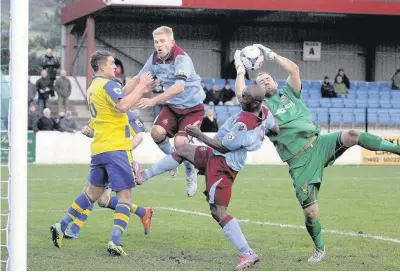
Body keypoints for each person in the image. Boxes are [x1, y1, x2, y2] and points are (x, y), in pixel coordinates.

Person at [235, 44, 400, 263]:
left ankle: (397, 149)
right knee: (311, 213)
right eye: (261, 82)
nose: (266, 82)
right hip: (299, 162)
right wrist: (239, 70)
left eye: (268, 79)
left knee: (352, 134)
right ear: (258, 90)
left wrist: (271, 54)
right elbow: (241, 95)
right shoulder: (261, 108)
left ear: (275, 82)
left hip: (319, 144)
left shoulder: (290, 93)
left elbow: (293, 69)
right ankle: (319, 248)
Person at [133, 84, 278, 270]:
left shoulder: (244, 123)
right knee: (183, 149)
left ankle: (247, 252)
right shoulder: (264, 112)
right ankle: (144, 175)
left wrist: (199, 134)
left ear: (255, 102)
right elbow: (276, 127)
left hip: (223, 166)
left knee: (218, 212)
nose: (241, 99)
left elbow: (223, 146)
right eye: (242, 95)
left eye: (245, 97)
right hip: (217, 156)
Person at [50, 50, 154, 256]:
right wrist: (142, 87)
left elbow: (118, 96)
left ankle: (61, 226)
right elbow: (123, 104)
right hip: (117, 149)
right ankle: (114, 242)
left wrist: (134, 84)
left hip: (99, 150)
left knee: (92, 195)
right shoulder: (109, 85)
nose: (114, 66)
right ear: (101, 67)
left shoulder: (93, 87)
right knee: (124, 197)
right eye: (112, 63)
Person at [135, 26, 206, 197]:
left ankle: (190, 172)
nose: (158, 45)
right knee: (156, 133)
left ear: (172, 42)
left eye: (162, 41)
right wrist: (123, 97)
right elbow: (138, 79)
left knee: (181, 143)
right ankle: (173, 162)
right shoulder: (154, 59)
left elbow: (179, 87)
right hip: (173, 107)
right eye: (156, 42)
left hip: (193, 109)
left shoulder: (181, 58)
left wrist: (152, 100)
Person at [64, 110, 153, 239]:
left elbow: (139, 137)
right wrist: (89, 132)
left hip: (117, 161)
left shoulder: (127, 114)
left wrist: (121, 151)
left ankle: (74, 229)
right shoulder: (103, 111)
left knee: (90, 192)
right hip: (105, 157)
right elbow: (95, 132)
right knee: (102, 200)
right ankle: (143, 211)